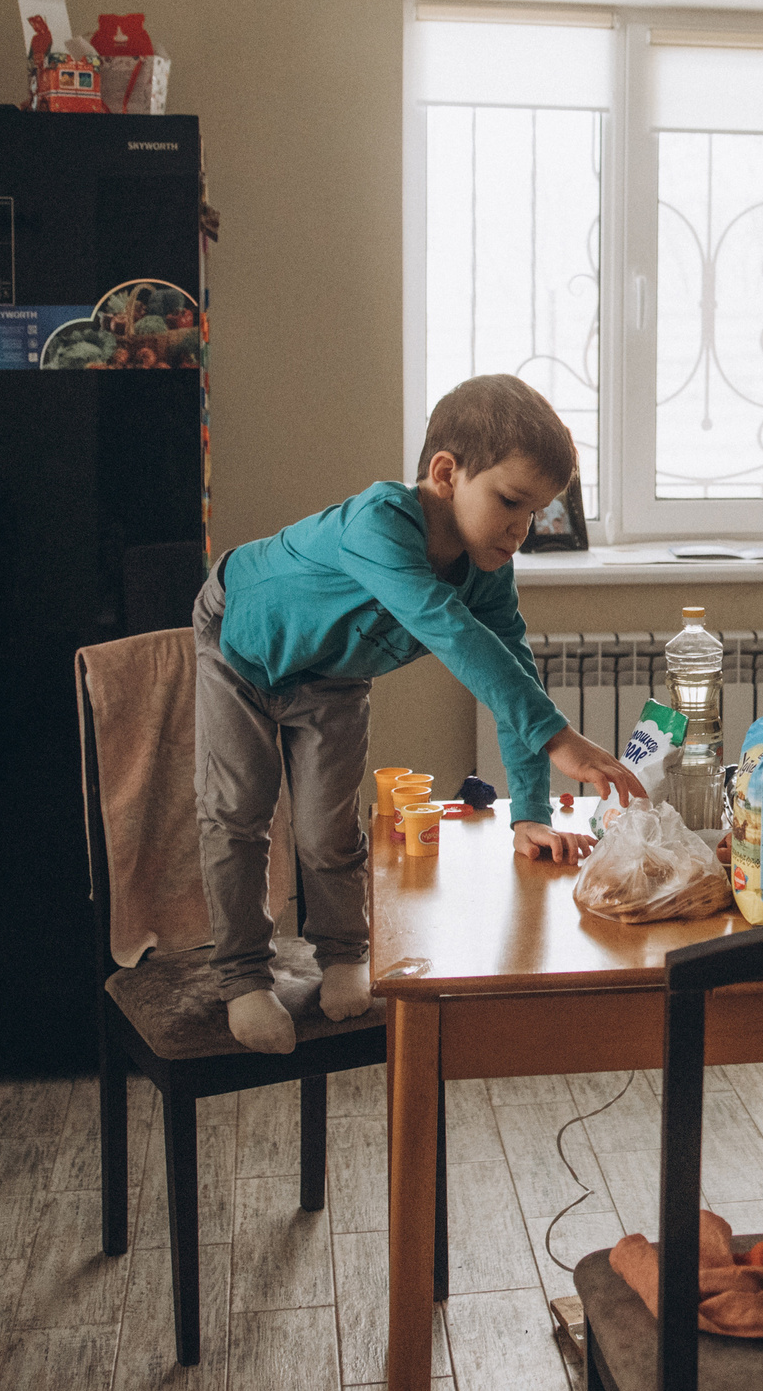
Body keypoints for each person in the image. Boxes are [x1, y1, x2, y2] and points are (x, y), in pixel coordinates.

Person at [195, 374, 643, 1055]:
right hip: (241, 646)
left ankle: (343, 954)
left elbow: (509, 671)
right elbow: (451, 632)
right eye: (510, 502)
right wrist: (558, 737)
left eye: (535, 513)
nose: (520, 531)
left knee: (326, 828)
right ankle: (243, 977)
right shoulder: (379, 523)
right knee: (237, 815)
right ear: (446, 474)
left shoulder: (489, 571)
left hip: (335, 677)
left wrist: (529, 813)